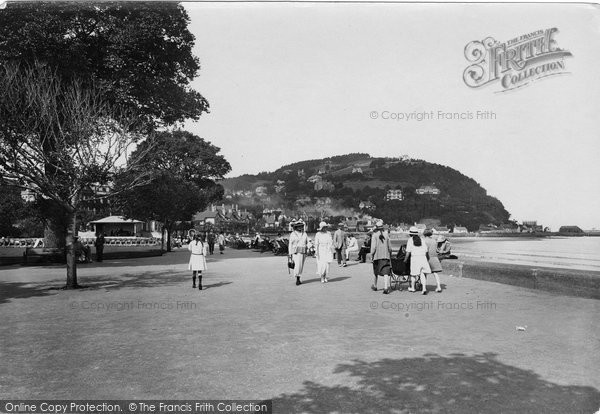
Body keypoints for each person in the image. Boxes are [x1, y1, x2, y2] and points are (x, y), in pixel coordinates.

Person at [404, 226, 431, 294]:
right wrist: (427, 259)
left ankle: (413, 288)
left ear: (410, 234)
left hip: (415, 258)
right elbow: (426, 250)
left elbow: (408, 252)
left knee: (413, 274)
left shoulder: (410, 240)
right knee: (422, 273)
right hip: (423, 258)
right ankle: (424, 288)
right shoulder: (422, 239)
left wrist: (405, 260)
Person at [370, 220, 393, 294]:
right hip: (386, 256)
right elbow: (390, 247)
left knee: (376, 271)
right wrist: (390, 253)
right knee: (386, 271)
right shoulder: (386, 234)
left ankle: (375, 285)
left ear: (376, 227)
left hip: (377, 256)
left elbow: (373, 248)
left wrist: (371, 255)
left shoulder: (374, 235)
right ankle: (386, 287)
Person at [288, 219, 309, 285]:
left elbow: (307, 241)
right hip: (296, 252)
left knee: (301, 265)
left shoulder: (304, 233)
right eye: (299, 226)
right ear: (296, 227)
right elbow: (290, 244)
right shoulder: (293, 234)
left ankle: (298, 277)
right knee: (297, 265)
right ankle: (297, 278)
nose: (300, 227)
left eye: (301, 226)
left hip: (303, 251)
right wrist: (290, 253)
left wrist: (309, 246)